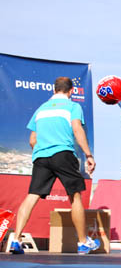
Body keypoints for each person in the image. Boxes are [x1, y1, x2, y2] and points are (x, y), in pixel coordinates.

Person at [10, 77, 100, 255]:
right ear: (71, 91)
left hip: (41, 157)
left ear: (53, 90)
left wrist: (44, 150)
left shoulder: (41, 109)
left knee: (32, 196)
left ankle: (16, 240)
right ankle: (83, 243)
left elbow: (32, 140)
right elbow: (77, 129)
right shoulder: (73, 106)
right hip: (63, 155)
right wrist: (88, 154)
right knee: (74, 196)